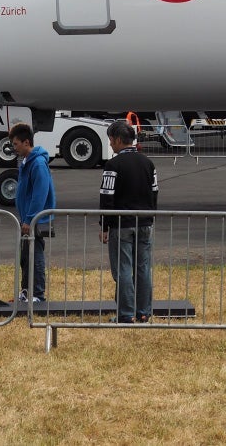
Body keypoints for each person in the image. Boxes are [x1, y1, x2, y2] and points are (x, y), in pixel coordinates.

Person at [99, 120, 158, 323]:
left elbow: (106, 197)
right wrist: (150, 216)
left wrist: (104, 225)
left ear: (117, 140)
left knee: (123, 268)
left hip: (121, 224)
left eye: (110, 140)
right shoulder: (148, 163)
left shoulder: (113, 165)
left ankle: (125, 313)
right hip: (145, 223)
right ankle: (144, 312)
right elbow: (154, 192)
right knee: (143, 268)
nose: (110, 144)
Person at [9, 123, 55, 303]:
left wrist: (30, 219)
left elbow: (40, 194)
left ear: (26, 142)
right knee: (26, 257)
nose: (14, 148)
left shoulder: (38, 163)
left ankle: (37, 294)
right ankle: (26, 292)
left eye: (16, 144)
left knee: (35, 256)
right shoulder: (28, 161)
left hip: (35, 219)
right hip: (28, 218)